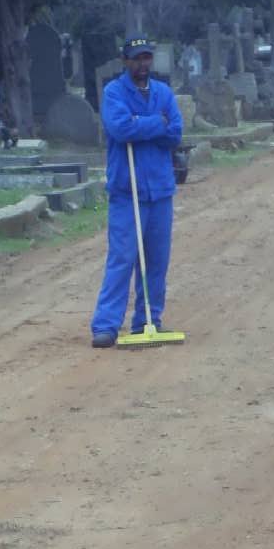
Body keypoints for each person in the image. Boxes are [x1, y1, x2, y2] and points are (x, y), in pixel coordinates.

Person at [91, 36, 183, 347]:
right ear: (125, 61)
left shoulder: (164, 93)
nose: (142, 64)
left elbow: (176, 132)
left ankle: (148, 319)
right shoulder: (114, 92)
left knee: (157, 260)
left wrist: (141, 125)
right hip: (126, 190)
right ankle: (105, 325)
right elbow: (119, 129)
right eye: (136, 59)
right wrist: (156, 123)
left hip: (159, 190)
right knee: (122, 257)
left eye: (146, 58)